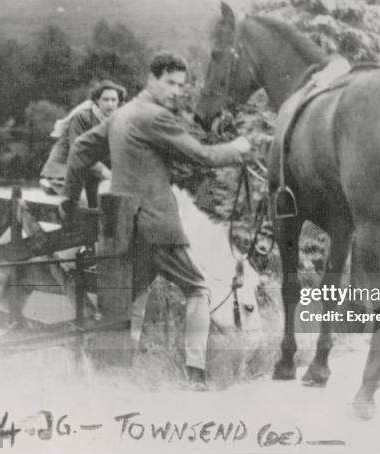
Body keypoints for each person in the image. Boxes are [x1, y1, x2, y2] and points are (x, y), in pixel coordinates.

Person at [59, 52, 251, 389]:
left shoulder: (122, 114)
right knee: (197, 289)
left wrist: (68, 198)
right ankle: (196, 374)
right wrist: (238, 147)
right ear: (152, 79)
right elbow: (203, 156)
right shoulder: (153, 117)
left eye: (182, 85)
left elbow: (79, 149)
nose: (177, 91)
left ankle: (108, 370)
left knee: (131, 295)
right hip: (155, 223)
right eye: (171, 83)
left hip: (122, 224)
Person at [40, 80, 127, 207]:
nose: (110, 104)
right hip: (63, 171)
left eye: (114, 100)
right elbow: (79, 154)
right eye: (106, 99)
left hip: (90, 175)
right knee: (82, 205)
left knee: (113, 201)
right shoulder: (83, 117)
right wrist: (107, 173)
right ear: (97, 100)